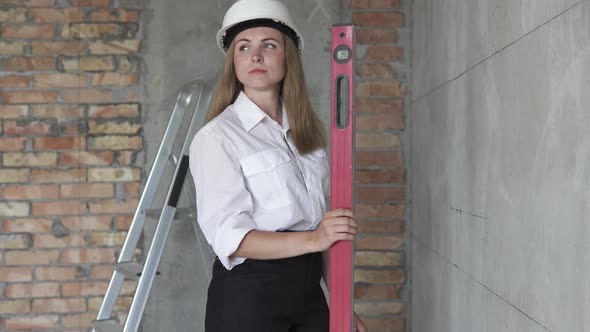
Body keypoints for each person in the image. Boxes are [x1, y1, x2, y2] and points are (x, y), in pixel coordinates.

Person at [189, 0, 368, 331]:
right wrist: (316, 239)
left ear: (289, 57)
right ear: (234, 63)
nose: (255, 55)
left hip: (309, 295)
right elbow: (232, 238)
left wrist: (344, 306)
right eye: (244, 47)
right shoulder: (217, 138)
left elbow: (327, 231)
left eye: (268, 45)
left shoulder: (307, 137)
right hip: (250, 300)